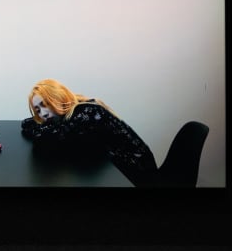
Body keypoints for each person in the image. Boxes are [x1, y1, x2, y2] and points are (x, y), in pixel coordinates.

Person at [20, 78, 157, 186]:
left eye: (45, 104)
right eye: (38, 110)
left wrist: (40, 126)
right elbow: (27, 124)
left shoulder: (87, 113)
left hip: (137, 171)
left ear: (57, 97)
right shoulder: (73, 111)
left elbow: (43, 137)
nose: (43, 114)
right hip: (113, 167)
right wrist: (39, 120)